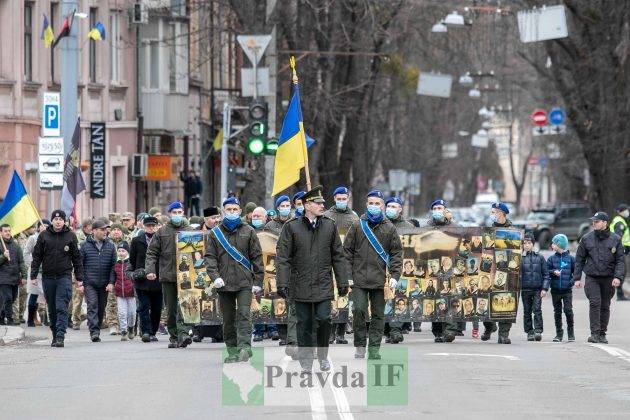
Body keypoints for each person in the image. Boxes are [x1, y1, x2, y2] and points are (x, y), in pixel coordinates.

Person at [276, 185, 349, 373]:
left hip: (323, 283)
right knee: (304, 324)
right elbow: (283, 257)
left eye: (323, 202)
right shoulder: (291, 227)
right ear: (307, 205)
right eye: (318, 203)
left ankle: (323, 356)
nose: (322, 205)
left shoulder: (329, 226)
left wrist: (342, 281)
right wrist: (282, 282)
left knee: (324, 320)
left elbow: (338, 256)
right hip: (300, 284)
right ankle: (306, 361)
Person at [343, 190, 403, 359]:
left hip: (380, 280)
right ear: (366, 204)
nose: (374, 206)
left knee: (378, 315)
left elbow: (397, 253)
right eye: (371, 203)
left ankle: (374, 348)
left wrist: (395, 276)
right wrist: (348, 275)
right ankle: (360, 345)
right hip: (359, 279)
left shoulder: (389, 228)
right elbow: (347, 252)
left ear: (382, 206)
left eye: (377, 203)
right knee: (359, 310)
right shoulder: (357, 225)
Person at [205, 197, 263, 363]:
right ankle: (232, 352)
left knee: (244, 314)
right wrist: (215, 277)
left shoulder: (249, 231)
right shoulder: (215, 233)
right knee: (228, 319)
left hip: (244, 282)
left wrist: (258, 281)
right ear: (223, 211)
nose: (231, 212)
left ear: (240, 211)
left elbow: (257, 257)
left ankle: (244, 347)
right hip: (224, 283)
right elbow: (210, 258)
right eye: (228, 210)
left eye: (234, 209)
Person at [31, 210, 84, 347]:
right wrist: (33, 275)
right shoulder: (44, 236)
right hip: (48, 277)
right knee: (52, 308)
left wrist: (79, 278)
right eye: (56, 219)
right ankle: (55, 334)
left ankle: (61, 335)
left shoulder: (71, 236)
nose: (58, 221)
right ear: (52, 221)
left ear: (64, 221)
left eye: (61, 219)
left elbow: (77, 258)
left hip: (64, 276)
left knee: (61, 306)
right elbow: (37, 256)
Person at [146, 201, 193, 348]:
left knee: (185, 306)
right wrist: (150, 270)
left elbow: (199, 252)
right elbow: (152, 252)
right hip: (167, 275)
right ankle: (174, 336)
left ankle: (184, 334)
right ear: (170, 214)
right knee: (171, 308)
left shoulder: (190, 231)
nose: (177, 215)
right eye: (174, 213)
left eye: (179, 212)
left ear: (183, 213)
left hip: (186, 276)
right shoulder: (162, 232)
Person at [574, 212, 625, 344]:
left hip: (608, 277)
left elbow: (620, 260)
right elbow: (579, 259)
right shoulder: (586, 238)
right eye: (593, 221)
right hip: (592, 277)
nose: (593, 223)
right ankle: (595, 333)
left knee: (605, 305)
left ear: (604, 223)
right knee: (595, 303)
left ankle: (602, 333)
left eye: (596, 221)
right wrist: (577, 278)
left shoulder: (615, 239)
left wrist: (618, 277)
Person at [324, 186, 359, 345]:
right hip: (329, 263)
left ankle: (341, 333)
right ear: (334, 199)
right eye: (339, 198)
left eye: (344, 198)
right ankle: (329, 332)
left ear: (348, 199)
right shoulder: (326, 216)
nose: (341, 201)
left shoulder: (354, 217)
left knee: (344, 297)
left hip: (346, 264)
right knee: (331, 297)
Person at [425, 199, 460, 343]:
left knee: (450, 300)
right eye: (435, 208)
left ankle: (450, 330)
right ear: (432, 211)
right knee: (436, 301)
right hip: (433, 270)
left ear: (445, 210)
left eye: (440, 208)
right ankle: (438, 331)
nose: (438, 210)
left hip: (449, 269)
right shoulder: (426, 227)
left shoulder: (454, 226)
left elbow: (462, 239)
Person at [481, 202, 514, 344]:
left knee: (506, 302)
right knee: (485, 302)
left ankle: (503, 334)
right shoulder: (487, 230)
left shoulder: (513, 231)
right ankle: (489, 327)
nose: (492, 214)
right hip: (489, 271)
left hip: (507, 271)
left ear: (502, 214)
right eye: (492, 212)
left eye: (494, 212)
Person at [80, 219, 117, 342]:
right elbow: (80, 265)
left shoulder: (110, 246)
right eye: (102, 229)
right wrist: (80, 282)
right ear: (94, 231)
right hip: (89, 283)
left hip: (105, 284)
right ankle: (94, 332)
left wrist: (111, 282)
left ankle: (97, 326)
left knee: (101, 307)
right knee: (92, 305)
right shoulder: (85, 246)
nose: (105, 232)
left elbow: (114, 266)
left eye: (106, 229)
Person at [128, 216, 163, 343]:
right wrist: (136, 272)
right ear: (143, 226)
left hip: (158, 279)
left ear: (157, 226)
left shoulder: (161, 240)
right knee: (143, 306)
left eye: (153, 226)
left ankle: (153, 331)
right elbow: (132, 259)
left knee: (157, 308)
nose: (151, 228)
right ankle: (146, 332)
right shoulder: (137, 240)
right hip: (142, 280)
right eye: (149, 226)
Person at [250, 206, 279, 342]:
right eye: (254, 216)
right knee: (257, 299)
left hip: (270, 269)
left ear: (265, 217)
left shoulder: (271, 232)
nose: (256, 219)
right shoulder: (249, 232)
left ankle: (273, 328)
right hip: (254, 269)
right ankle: (258, 330)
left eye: (259, 216)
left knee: (270, 298)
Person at [520, 233, 549, 342]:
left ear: (533, 244)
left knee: (537, 310)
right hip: (525, 289)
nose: (526, 245)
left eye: (529, 243)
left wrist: (544, 288)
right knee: (527, 311)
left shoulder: (540, 257)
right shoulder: (520, 258)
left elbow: (546, 274)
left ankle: (538, 330)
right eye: (524, 243)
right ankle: (529, 332)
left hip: (537, 289)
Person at [547, 234, 576, 342]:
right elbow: (546, 272)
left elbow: (576, 273)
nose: (552, 245)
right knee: (557, 312)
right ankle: (559, 334)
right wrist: (553, 272)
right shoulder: (551, 259)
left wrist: (570, 283)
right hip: (555, 290)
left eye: (554, 243)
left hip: (567, 290)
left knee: (568, 310)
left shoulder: (571, 259)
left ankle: (571, 332)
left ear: (559, 245)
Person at [24, 220, 50, 327]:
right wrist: (32, 263)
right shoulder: (33, 238)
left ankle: (48, 319)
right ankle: (31, 319)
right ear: (39, 227)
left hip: (47, 271)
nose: (45, 228)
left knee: (49, 295)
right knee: (34, 295)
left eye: (47, 226)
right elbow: (26, 253)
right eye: (43, 226)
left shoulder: (51, 237)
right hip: (35, 272)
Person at [0, 224, 27, 326]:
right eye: (5, 231)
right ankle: (9, 319)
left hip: (15, 277)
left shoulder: (16, 246)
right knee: (8, 298)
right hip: (3, 277)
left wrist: (24, 276)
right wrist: (3, 256)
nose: (8, 233)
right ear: (1, 232)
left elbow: (21, 262)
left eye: (9, 231)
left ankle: (1, 315)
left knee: (13, 297)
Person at [111, 242, 136, 341]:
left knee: (132, 313)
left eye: (123, 251)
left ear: (127, 252)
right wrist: (112, 284)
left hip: (131, 292)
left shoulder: (131, 262)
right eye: (119, 251)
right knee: (122, 312)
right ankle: (124, 331)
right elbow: (113, 276)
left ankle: (131, 327)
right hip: (119, 292)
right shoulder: (115, 263)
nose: (121, 253)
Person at [610, 204, 629, 301]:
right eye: (626, 210)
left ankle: (619, 293)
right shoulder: (619, 222)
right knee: (622, 271)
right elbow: (618, 238)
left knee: (620, 270)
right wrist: (621, 250)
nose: (627, 212)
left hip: (620, 250)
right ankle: (620, 294)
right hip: (621, 250)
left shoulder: (619, 220)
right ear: (621, 211)